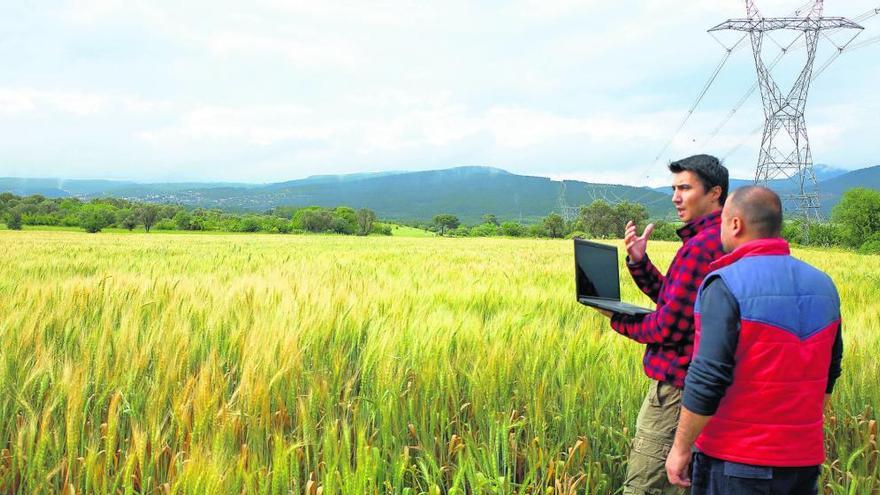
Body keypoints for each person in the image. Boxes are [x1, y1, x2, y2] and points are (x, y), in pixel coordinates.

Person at [665, 186, 843, 494]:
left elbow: (708, 376)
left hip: (736, 461)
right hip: (803, 463)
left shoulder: (726, 283)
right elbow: (831, 369)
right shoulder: (823, 285)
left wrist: (681, 447)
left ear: (735, 224)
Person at [592, 154, 728, 494]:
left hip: (677, 392)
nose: (675, 197)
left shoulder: (700, 247)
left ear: (715, 192)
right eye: (673, 188)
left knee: (647, 486)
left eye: (685, 188)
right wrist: (640, 263)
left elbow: (669, 327)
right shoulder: (722, 239)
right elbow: (678, 304)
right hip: (707, 389)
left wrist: (617, 319)